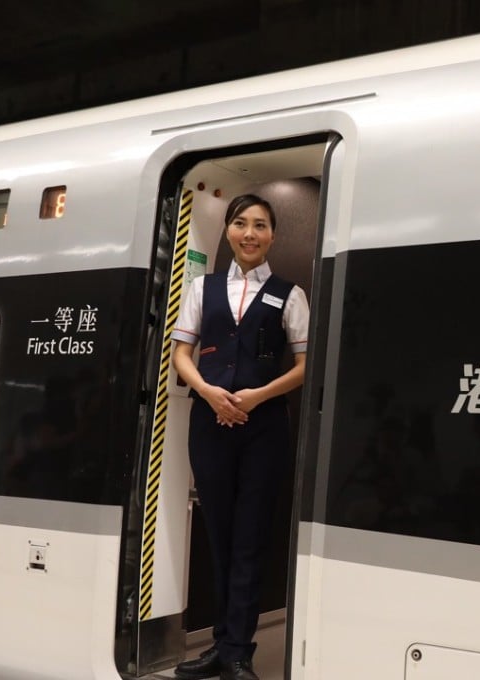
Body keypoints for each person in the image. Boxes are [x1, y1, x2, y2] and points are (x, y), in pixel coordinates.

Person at [171, 194, 309, 680]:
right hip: (211, 423)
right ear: (228, 229)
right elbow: (182, 355)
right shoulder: (201, 288)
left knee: (251, 537)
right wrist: (210, 393)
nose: (250, 234)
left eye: (261, 226)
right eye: (241, 223)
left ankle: (238, 650)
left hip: (264, 428)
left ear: (273, 235)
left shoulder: (290, 294)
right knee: (220, 535)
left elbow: (304, 365)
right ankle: (220, 646)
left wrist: (255, 396)